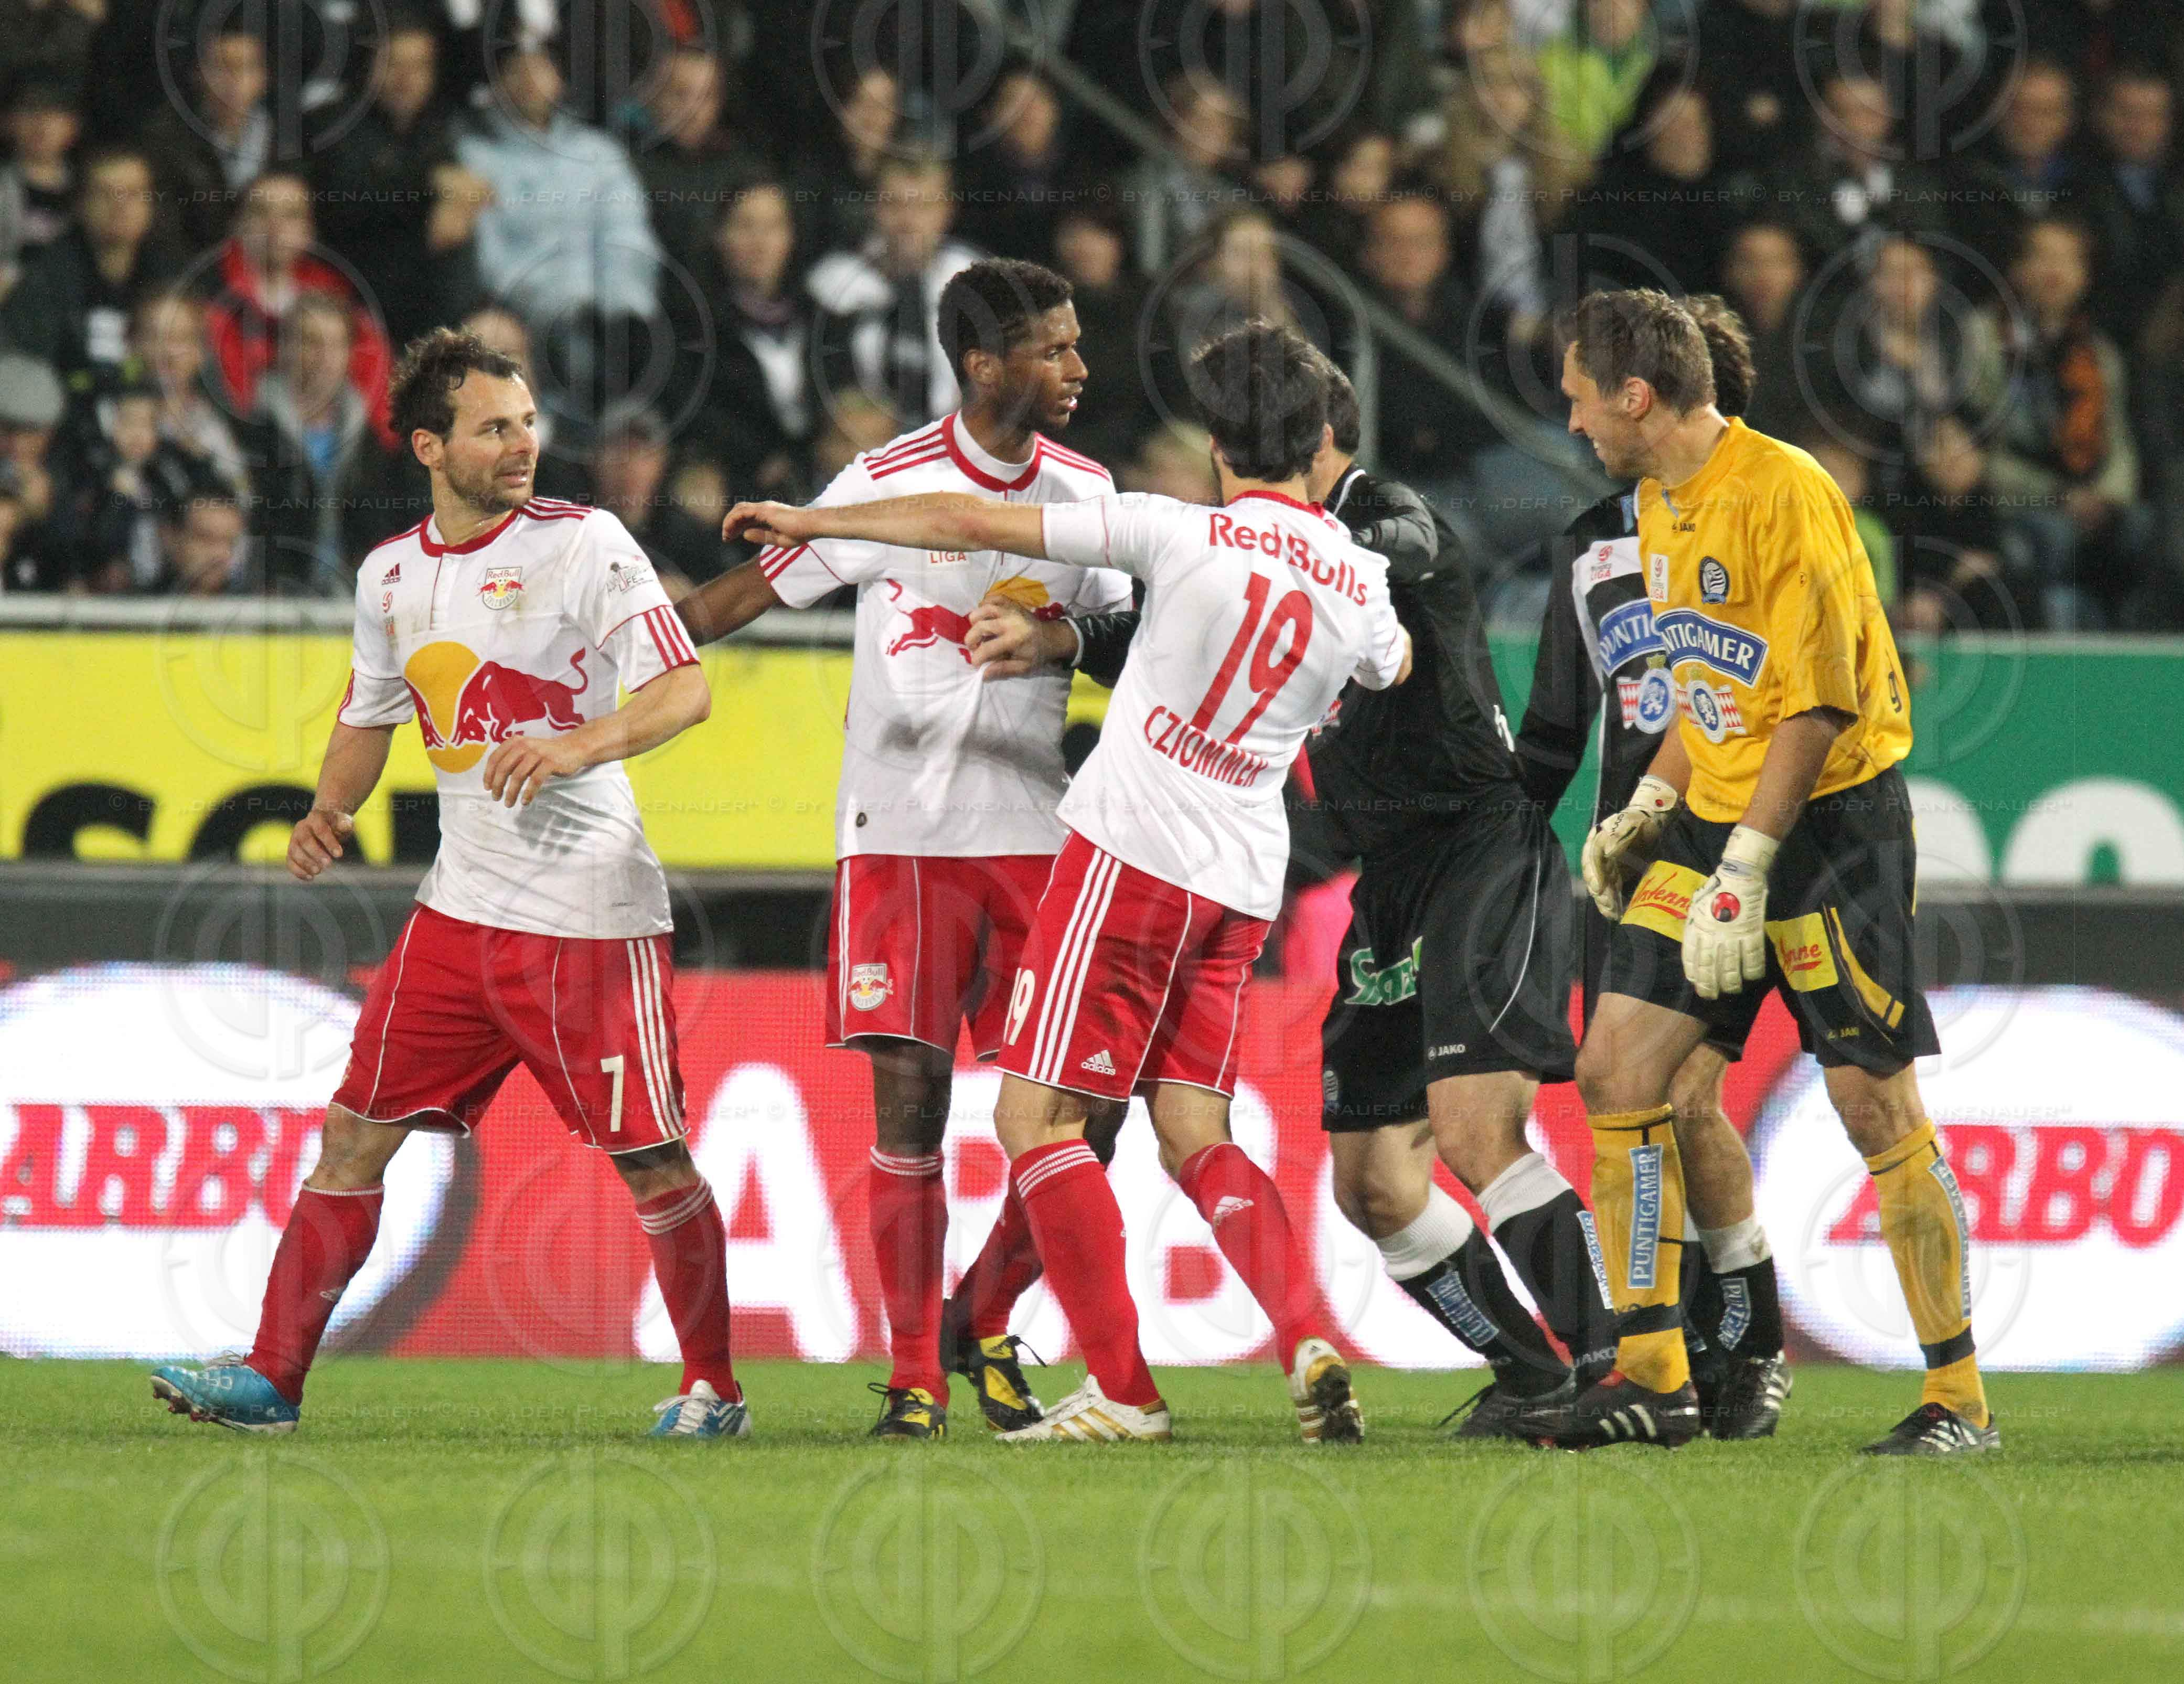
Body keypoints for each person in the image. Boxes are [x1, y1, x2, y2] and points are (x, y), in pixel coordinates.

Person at [725, 322, 1411, 1445]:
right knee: (1195, 1127)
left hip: (1135, 859)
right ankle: (1303, 1336)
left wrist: (818, 521)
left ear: (1219, 446)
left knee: (1033, 1115)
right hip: (1244, 878)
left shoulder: (1177, 531)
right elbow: (1395, 664)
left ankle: (1127, 1393)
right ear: (1321, 442)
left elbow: (965, 516)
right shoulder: (1360, 578)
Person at [147, 326, 740, 1438]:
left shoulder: (587, 544)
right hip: (457, 915)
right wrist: (331, 809)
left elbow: (684, 693)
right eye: (494, 427)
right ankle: (273, 1379)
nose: (522, 445)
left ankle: (714, 1387)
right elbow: (369, 712)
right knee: (355, 1135)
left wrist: (573, 745)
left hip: (588, 916)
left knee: (652, 1157)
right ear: (430, 444)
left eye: (527, 422)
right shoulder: (390, 574)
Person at [673, 259, 1133, 1442]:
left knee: (1091, 1111)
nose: (1081, 369)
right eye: (1056, 348)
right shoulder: (884, 484)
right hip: (905, 842)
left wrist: (1068, 630)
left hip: (1038, 837)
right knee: (912, 1101)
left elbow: (1139, 621)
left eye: (1080, 345)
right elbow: (751, 595)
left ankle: (983, 1312)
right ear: (985, 365)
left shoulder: (1087, 493)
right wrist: (623, 659)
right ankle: (916, 1374)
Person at [1551, 287, 1992, 1455]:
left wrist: (1747, 868)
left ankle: (1958, 1400)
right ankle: (1652, 1377)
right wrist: (1651, 799)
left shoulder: (1786, 492)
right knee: (1618, 1067)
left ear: (1636, 395)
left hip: (1828, 823)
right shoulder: (1655, 502)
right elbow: (1713, 683)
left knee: (1871, 1104)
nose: (1577, 421)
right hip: (1710, 813)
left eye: (1583, 398)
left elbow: (1816, 700)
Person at [1515, 294, 1792, 1439]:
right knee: (1655, 1098)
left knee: (1666, 1089)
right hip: (1631, 858)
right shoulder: (1589, 546)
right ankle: (1691, 1353)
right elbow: (1554, 727)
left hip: (1746, 842)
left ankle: (1719, 1346)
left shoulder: (1766, 516)